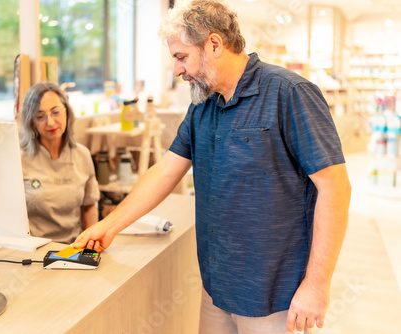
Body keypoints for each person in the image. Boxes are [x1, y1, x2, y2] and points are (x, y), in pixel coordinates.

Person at [72, 0, 351, 333]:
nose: (177, 70)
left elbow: (335, 188)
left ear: (214, 44)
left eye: (181, 57)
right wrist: (111, 224)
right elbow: (166, 170)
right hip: (216, 286)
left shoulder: (289, 93)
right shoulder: (203, 104)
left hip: (274, 296)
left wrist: (317, 285)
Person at [20, 82, 100, 244]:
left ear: (67, 112)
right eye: (40, 116)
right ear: (31, 122)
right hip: (35, 249)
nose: (50, 122)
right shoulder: (20, 160)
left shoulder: (82, 155)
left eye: (55, 112)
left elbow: (88, 205)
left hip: (74, 245)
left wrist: (91, 243)